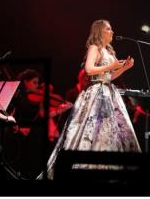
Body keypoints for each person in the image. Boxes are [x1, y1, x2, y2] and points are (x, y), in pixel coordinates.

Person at [43, 19, 140, 178]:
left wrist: (124, 68)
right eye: (109, 29)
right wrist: (111, 66)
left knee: (109, 132)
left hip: (108, 92)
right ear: (100, 31)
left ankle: (107, 167)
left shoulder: (109, 51)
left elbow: (109, 77)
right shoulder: (94, 47)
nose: (112, 32)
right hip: (95, 94)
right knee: (91, 130)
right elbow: (89, 70)